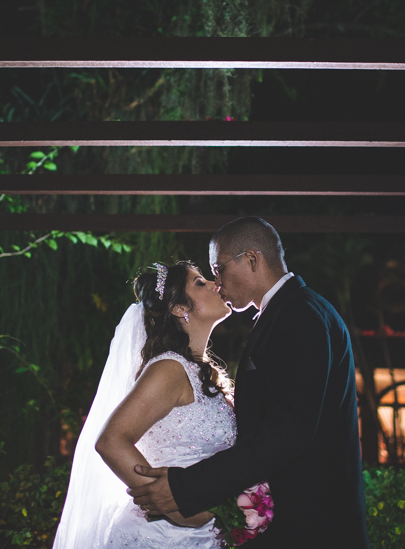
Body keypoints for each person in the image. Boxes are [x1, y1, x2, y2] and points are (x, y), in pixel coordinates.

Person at [129, 217, 370, 548]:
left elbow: (287, 432)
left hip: (312, 528)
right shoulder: (290, 312)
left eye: (219, 269)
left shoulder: (300, 315)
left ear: (252, 260)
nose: (217, 282)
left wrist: (186, 489)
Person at [53, 261, 234, 548]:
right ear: (178, 308)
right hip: (160, 537)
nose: (216, 284)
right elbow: (111, 441)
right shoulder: (170, 368)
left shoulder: (201, 372)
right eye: (200, 282)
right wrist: (175, 507)